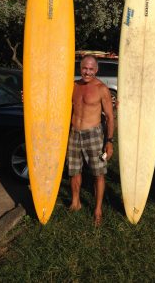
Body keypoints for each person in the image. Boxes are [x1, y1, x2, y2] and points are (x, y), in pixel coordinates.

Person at [67, 55, 114, 225]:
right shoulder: (73, 85)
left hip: (93, 134)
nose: (87, 72)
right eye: (84, 68)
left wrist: (109, 141)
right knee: (74, 171)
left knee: (98, 173)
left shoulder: (102, 89)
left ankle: (98, 209)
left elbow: (109, 117)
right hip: (74, 133)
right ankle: (75, 202)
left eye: (91, 69)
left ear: (96, 70)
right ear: (80, 68)